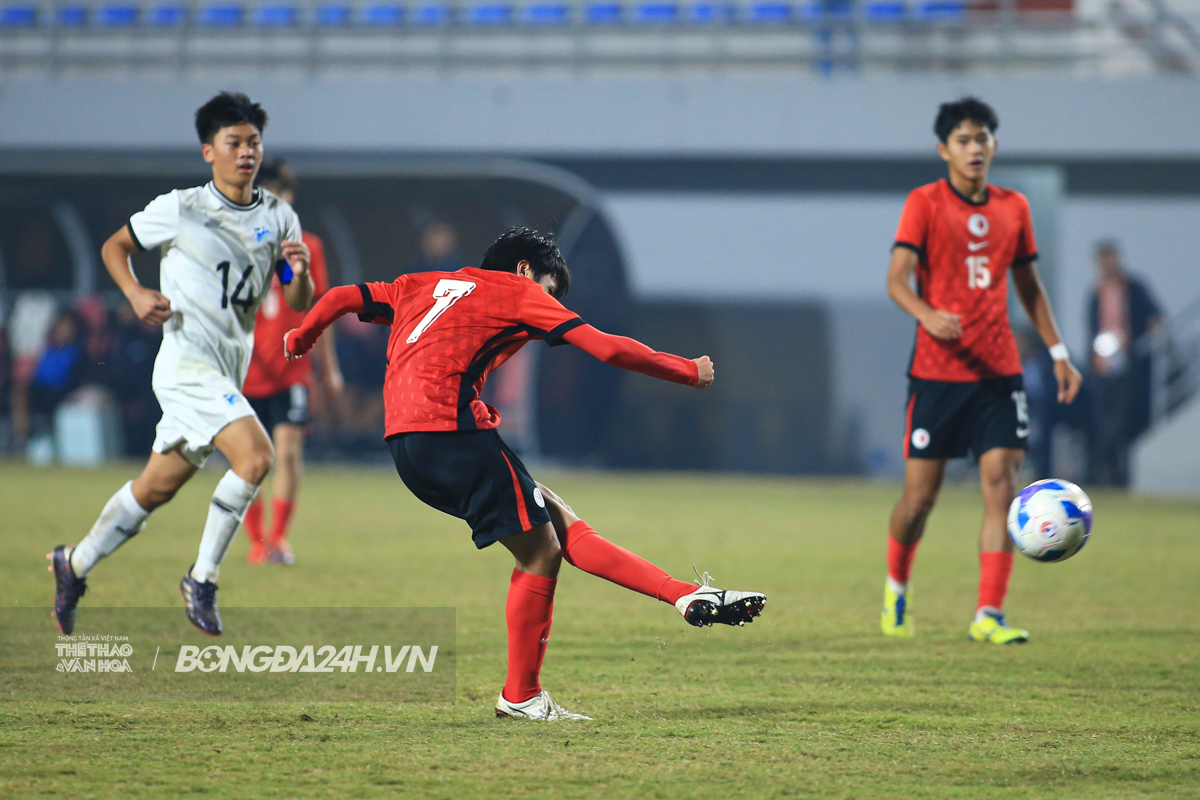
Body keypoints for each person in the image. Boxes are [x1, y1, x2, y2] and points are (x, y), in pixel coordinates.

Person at [283, 227, 766, 720]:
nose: (549, 305)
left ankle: (685, 595)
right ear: (524, 270)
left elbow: (342, 296)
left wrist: (302, 336)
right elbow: (606, 349)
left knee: (553, 514)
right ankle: (521, 697)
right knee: (542, 551)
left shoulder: (421, 284)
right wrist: (687, 370)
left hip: (406, 445)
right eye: (549, 291)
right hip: (452, 431)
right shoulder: (515, 293)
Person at [48, 91, 313, 637]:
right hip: (187, 365)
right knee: (258, 458)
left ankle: (72, 564)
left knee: (155, 488)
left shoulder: (280, 217)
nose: (246, 153)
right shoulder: (182, 207)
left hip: (226, 369)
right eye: (233, 142)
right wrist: (136, 294)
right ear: (208, 151)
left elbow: (295, 301)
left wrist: (302, 273)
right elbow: (114, 247)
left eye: (253, 142)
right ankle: (203, 577)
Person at [881, 97, 1083, 645]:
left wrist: (1059, 354)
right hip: (936, 375)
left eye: (983, 139)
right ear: (944, 148)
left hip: (998, 375)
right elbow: (897, 278)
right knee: (920, 500)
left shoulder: (1014, 207)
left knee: (1000, 488)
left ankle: (988, 615)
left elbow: (1029, 288)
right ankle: (897, 587)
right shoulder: (923, 203)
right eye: (965, 140)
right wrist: (926, 313)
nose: (975, 149)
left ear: (994, 145)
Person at [240, 160, 343, 565]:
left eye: (283, 193)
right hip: (246, 370)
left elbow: (321, 309)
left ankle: (278, 537)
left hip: (292, 368)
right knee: (249, 459)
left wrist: (329, 365)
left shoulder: (307, 247)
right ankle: (254, 542)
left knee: (287, 451)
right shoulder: (238, 242)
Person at [1086, 240, 1162, 487]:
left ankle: (1123, 475)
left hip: (1129, 366)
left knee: (1125, 421)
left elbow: (1154, 316)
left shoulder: (1134, 288)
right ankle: (1103, 471)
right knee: (1102, 422)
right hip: (1102, 367)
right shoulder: (1095, 293)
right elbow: (1091, 328)